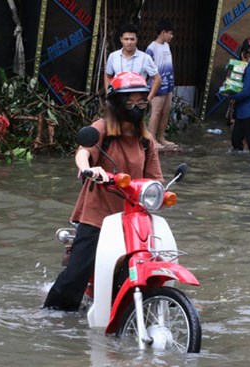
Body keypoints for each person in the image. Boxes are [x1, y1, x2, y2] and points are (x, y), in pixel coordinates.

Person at [43, 72, 163, 311]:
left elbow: (155, 179)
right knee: (76, 273)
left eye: (141, 102)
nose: (135, 107)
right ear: (117, 104)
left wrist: (160, 193)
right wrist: (89, 169)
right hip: (98, 216)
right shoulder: (102, 130)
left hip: (133, 218)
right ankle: (51, 316)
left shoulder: (145, 140)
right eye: (129, 102)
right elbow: (83, 152)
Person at [104, 24, 161, 102]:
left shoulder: (145, 58)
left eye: (132, 39)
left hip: (137, 101)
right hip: (118, 100)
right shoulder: (113, 56)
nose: (129, 42)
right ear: (121, 39)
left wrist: (148, 99)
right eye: (126, 39)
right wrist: (109, 95)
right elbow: (107, 75)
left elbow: (157, 79)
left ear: (136, 40)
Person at [227, 37, 250, 155]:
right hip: (244, 112)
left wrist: (232, 95)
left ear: (245, 52)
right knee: (236, 141)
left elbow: (246, 92)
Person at [146, 19, 176, 149]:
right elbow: (146, 68)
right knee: (156, 111)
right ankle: (152, 139)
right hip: (157, 83)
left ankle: (161, 137)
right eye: (170, 33)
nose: (172, 36)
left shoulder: (166, 46)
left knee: (166, 110)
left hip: (168, 82)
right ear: (163, 32)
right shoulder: (151, 48)